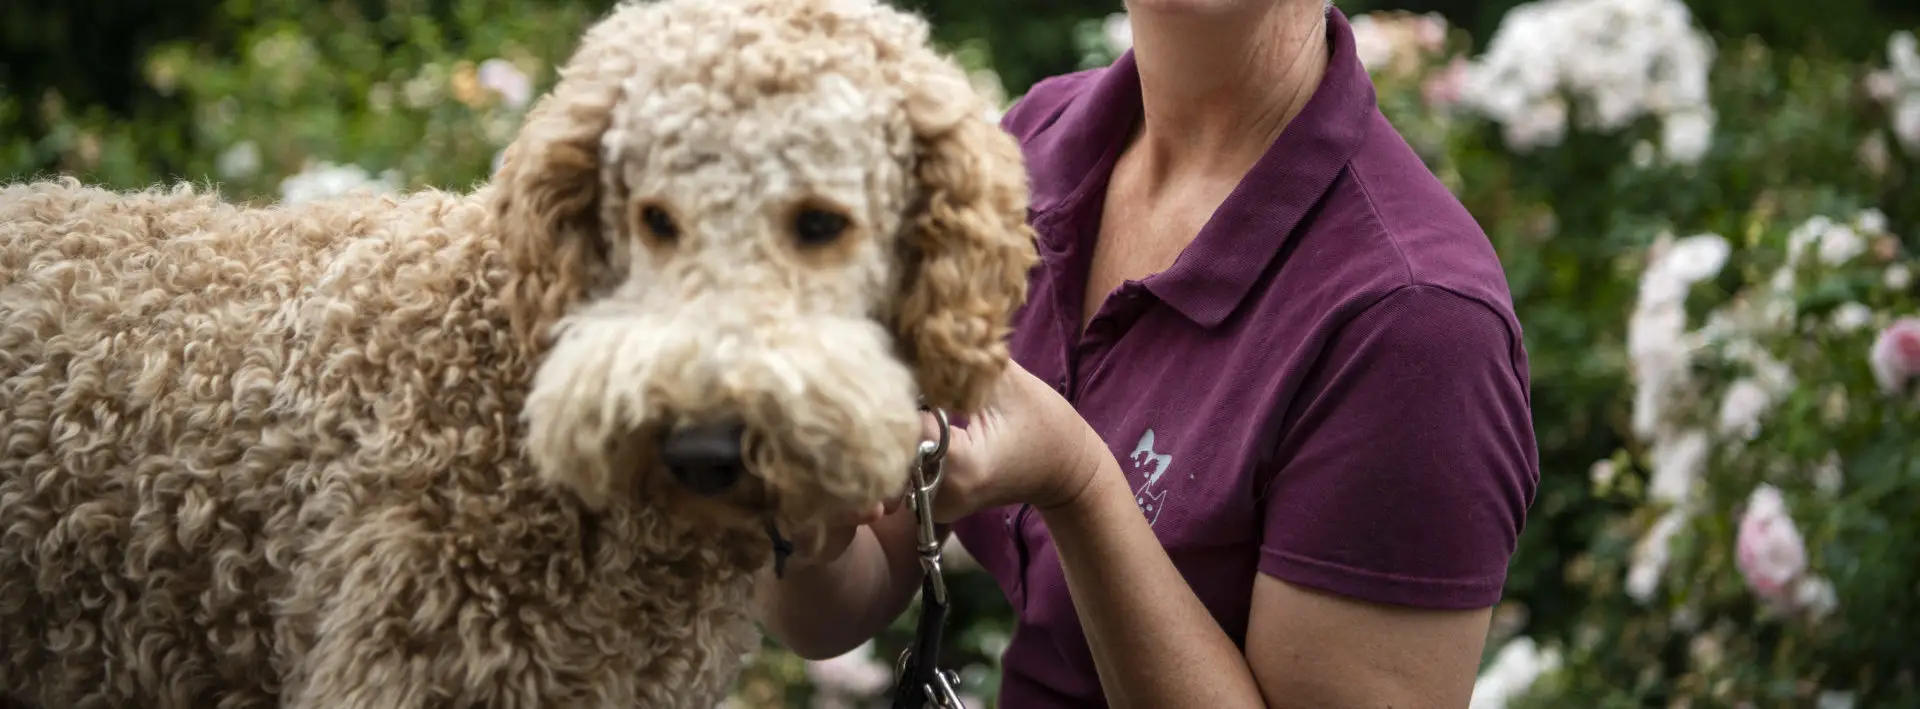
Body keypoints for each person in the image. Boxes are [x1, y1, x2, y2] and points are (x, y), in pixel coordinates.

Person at [757, 0, 1540, 706]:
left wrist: (1079, 482)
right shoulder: (1034, 146)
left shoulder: (1417, 323)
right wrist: (801, 510)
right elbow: (837, 601)